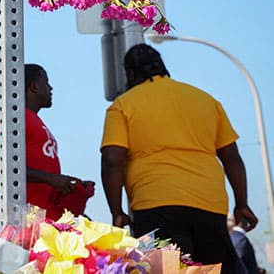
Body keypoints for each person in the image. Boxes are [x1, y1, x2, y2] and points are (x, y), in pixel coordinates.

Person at [101, 43, 258, 273]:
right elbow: (232, 157)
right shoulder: (206, 100)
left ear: (131, 74)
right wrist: (241, 203)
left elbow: (112, 160)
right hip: (210, 206)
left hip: (154, 205)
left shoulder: (123, 105)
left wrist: (116, 211)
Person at [0, 64, 94, 219]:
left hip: (47, 213)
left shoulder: (35, 120)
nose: (51, 88)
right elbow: (2, 165)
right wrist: (51, 179)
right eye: (46, 83)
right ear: (34, 87)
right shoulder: (13, 116)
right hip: (25, 215)